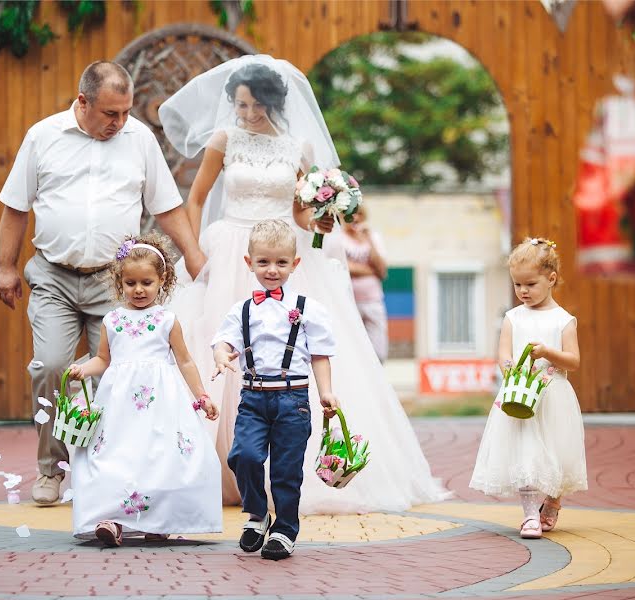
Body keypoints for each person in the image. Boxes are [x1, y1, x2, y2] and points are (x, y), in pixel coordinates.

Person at [160, 54, 447, 513]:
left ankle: (293, 468)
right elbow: (195, 200)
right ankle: (216, 469)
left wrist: (320, 219)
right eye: (240, 105)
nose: (247, 114)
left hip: (284, 252)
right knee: (220, 344)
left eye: (254, 105)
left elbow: (300, 212)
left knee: (295, 345)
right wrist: (195, 254)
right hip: (233, 248)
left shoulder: (299, 148)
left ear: (273, 103)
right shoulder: (224, 139)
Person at [0, 61, 205, 505]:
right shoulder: (43, 137)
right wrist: (5, 267)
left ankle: (106, 474)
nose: (120, 122)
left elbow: (166, 206)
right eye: (111, 113)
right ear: (83, 101)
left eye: (126, 112)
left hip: (116, 286)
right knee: (51, 366)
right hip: (53, 275)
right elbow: (15, 206)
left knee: (117, 376)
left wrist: (193, 253)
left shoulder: (139, 140)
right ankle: (51, 470)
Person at [67, 233, 222, 546]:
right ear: (120, 282)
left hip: (161, 403)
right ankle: (112, 520)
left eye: (146, 283)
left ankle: (158, 519)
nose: (138, 290)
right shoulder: (112, 320)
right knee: (115, 455)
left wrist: (201, 396)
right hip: (118, 404)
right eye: (131, 283)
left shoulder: (167, 320)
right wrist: (83, 369)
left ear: (161, 280)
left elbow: (186, 362)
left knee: (160, 456)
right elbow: (103, 359)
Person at [211, 220, 338, 560]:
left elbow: (320, 353)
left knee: (285, 469)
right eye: (263, 262)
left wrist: (326, 391)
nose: (272, 269)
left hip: (292, 399)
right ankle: (257, 513)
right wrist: (222, 354)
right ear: (248, 262)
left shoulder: (307, 308)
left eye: (281, 262)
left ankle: (284, 529)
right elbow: (223, 340)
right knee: (243, 456)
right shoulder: (242, 309)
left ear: (294, 264)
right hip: (253, 398)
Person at [469, 237, 588, 539]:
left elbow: (573, 361)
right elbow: (503, 353)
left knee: (557, 454)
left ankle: (555, 501)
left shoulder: (563, 320)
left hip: (553, 397)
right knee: (526, 454)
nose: (522, 291)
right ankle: (529, 515)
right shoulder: (513, 317)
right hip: (521, 397)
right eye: (517, 285)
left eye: (530, 284)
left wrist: (548, 352)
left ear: (551, 279)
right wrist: (508, 367)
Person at [338, 204, 389, 363]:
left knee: (379, 351)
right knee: (353, 351)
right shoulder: (339, 238)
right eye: (349, 214)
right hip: (349, 301)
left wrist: (368, 241)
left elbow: (382, 270)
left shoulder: (373, 237)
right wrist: (370, 271)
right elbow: (344, 267)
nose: (355, 218)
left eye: (358, 214)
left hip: (373, 300)